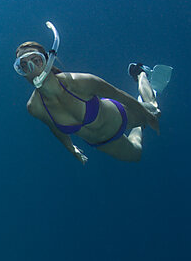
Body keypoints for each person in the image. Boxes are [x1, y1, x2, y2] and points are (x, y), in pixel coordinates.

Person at [15, 22, 167, 163]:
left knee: (155, 111)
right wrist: (71, 148)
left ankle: (140, 73)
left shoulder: (79, 81)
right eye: (24, 66)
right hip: (103, 143)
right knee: (136, 156)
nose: (32, 68)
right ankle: (141, 120)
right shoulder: (34, 107)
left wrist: (148, 116)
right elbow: (54, 127)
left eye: (36, 60)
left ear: (48, 60)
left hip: (121, 117)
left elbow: (118, 94)